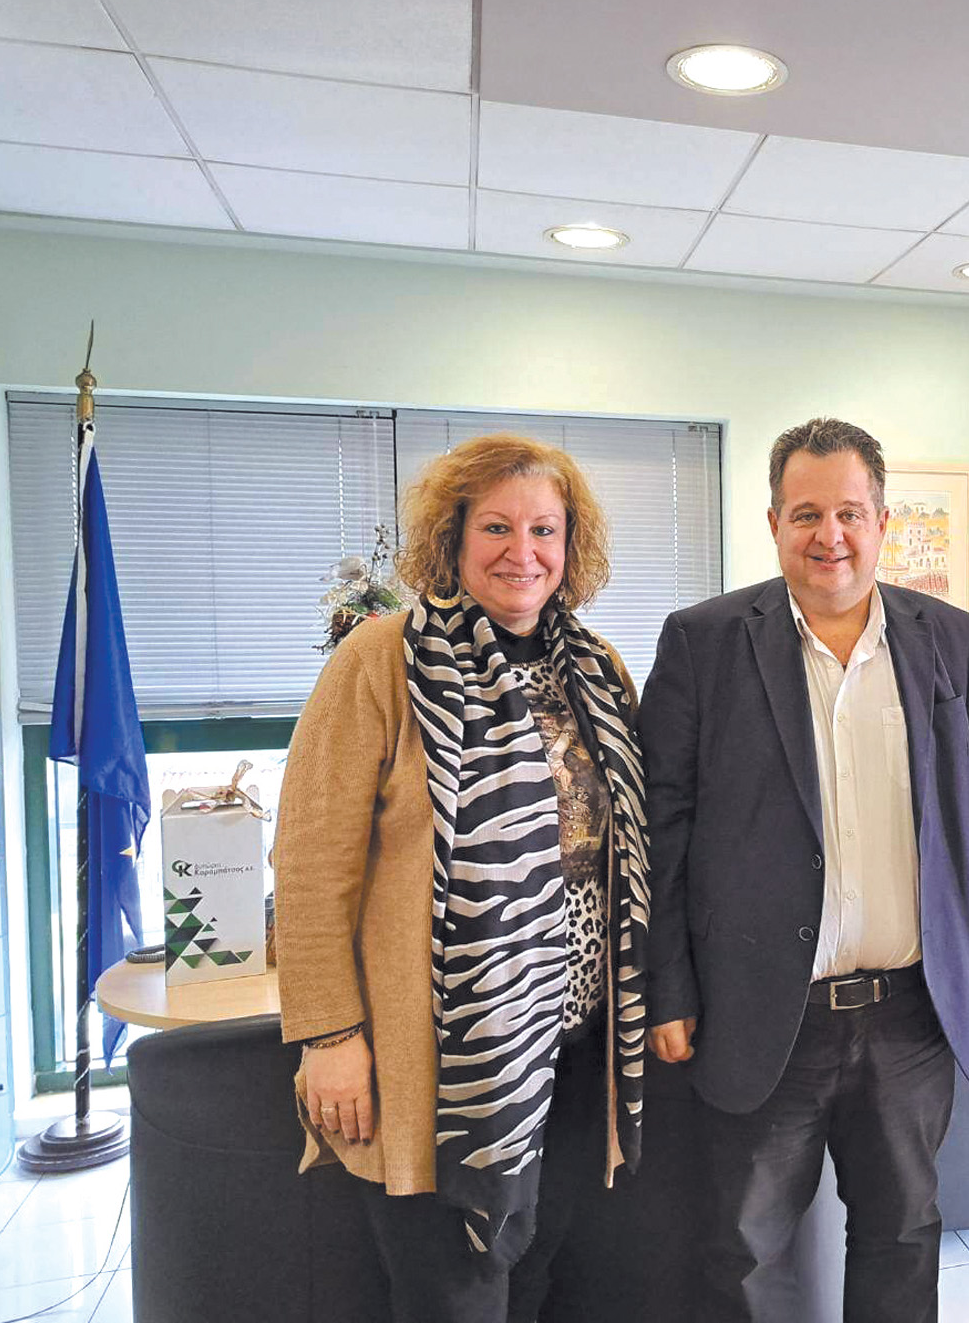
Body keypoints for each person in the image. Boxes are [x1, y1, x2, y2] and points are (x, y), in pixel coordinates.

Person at [639, 416, 969, 1323]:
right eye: (807, 513)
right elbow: (662, 828)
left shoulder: (953, 640)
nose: (831, 535)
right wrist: (667, 987)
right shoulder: (703, 640)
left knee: (904, 1236)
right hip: (758, 1010)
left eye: (850, 512)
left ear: (883, 521)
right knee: (745, 1251)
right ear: (773, 522)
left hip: (911, 1012)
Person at [274, 432, 651, 1323]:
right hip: (443, 1060)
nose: (523, 552)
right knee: (453, 1295)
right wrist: (329, 1034)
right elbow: (310, 861)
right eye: (496, 527)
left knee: (540, 1275)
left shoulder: (596, 668)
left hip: (574, 1045)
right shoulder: (382, 660)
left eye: (544, 529)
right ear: (452, 538)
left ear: (571, 544)